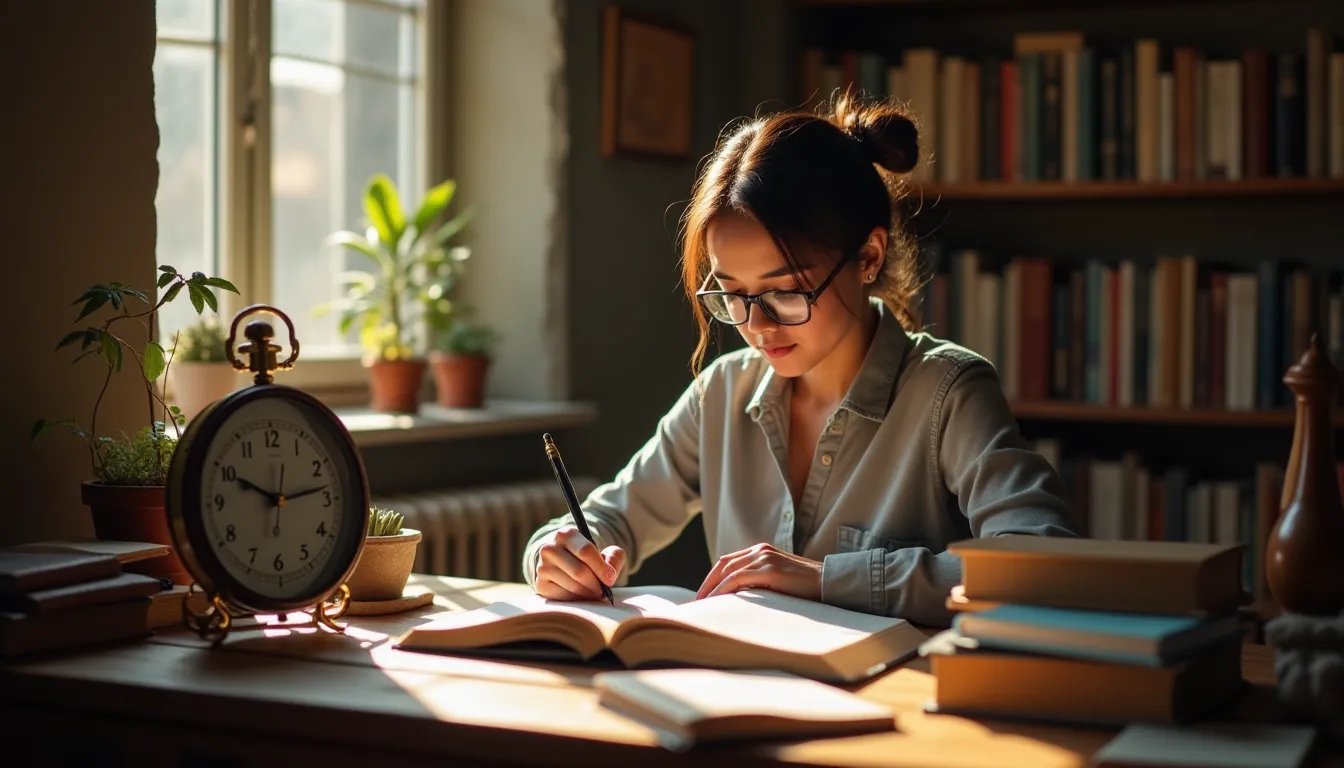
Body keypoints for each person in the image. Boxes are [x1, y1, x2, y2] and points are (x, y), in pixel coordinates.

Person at [523, 94, 1078, 626]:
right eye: (731, 294)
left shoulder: (948, 392)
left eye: (787, 293)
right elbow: (606, 518)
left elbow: (1040, 565)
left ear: (868, 256)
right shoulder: (722, 394)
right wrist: (557, 553)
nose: (756, 327)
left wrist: (825, 578)